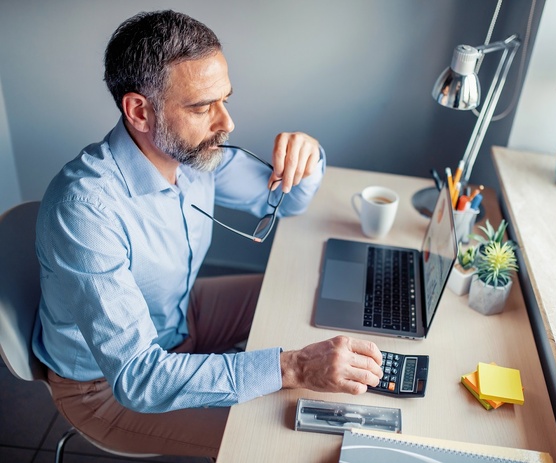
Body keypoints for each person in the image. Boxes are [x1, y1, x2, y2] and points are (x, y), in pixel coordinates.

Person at [32, 9, 383, 458]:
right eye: (201, 107)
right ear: (139, 110)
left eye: (225, 100)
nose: (226, 123)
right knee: (283, 439)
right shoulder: (84, 209)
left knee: (302, 299)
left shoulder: (195, 153)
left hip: (178, 317)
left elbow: (288, 203)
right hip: (106, 390)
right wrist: (293, 366)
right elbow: (140, 378)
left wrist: (308, 153)